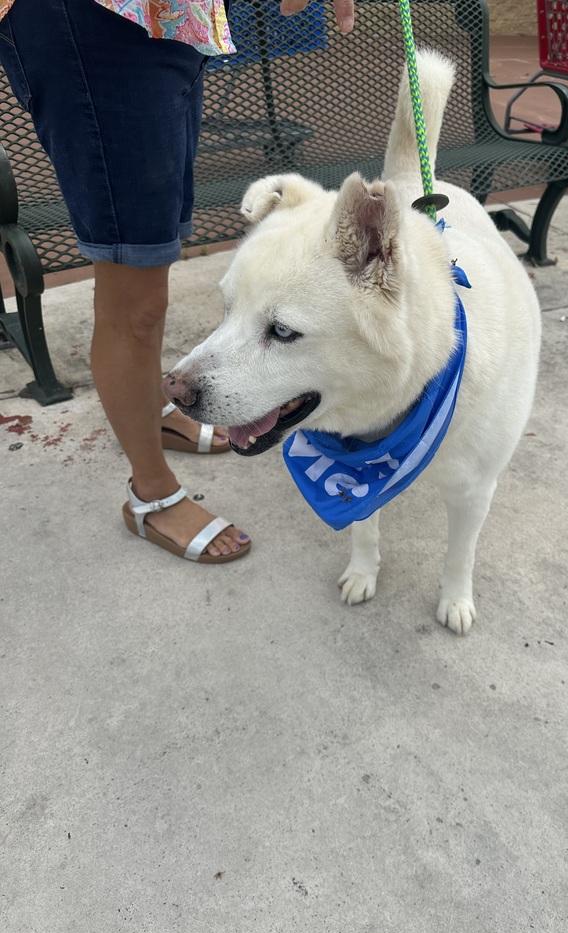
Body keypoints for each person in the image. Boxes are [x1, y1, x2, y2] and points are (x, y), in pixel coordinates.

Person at [0, 0, 354, 563]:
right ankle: (150, 496)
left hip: (174, 22)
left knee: (151, 271)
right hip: (96, 21)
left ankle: (156, 417)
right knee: (132, 296)